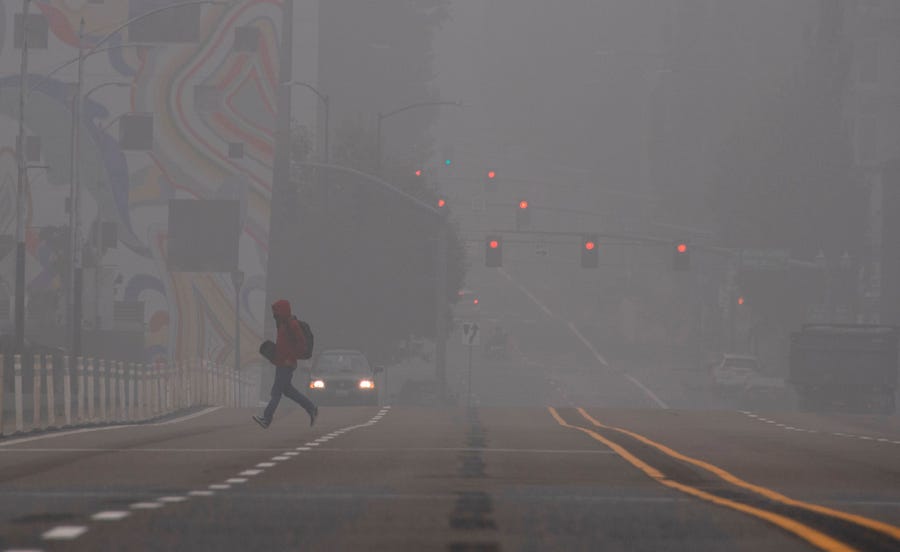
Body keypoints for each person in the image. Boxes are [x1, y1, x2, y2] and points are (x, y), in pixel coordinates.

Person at [253, 299, 318, 428]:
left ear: (282, 311)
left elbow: (301, 344)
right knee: (288, 391)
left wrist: (291, 357)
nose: (274, 314)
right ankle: (311, 408)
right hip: (281, 363)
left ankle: (267, 419)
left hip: (286, 364)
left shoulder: (291, 324)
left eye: (276, 311)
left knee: (276, 392)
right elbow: (284, 346)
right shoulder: (281, 324)